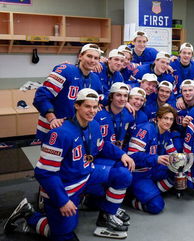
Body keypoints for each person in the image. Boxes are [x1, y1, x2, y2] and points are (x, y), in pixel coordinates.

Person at [5, 89, 135, 241]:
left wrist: (122, 154)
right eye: (87, 106)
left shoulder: (94, 126)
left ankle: (106, 217)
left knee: (123, 174)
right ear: (77, 106)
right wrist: (62, 201)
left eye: (95, 107)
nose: (92, 111)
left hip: (87, 174)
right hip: (66, 185)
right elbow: (44, 173)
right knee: (64, 234)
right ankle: (29, 215)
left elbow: (101, 145)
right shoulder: (59, 133)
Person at [34, 44, 104, 141]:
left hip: (77, 130)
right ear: (80, 56)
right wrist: (52, 118)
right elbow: (41, 96)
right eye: (89, 56)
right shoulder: (65, 70)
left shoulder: (95, 79)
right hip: (55, 126)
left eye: (96, 58)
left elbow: (100, 99)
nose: (92, 60)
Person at [127, 105, 178, 214]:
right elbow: (132, 156)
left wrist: (182, 163)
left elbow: (173, 154)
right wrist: (156, 158)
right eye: (165, 118)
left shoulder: (166, 133)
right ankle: (129, 199)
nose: (168, 122)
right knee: (156, 206)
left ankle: (151, 192)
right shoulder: (145, 130)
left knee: (177, 173)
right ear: (158, 118)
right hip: (138, 173)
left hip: (152, 170)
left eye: (171, 119)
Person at [94, 83, 134, 152]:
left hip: (120, 153)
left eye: (125, 96)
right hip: (102, 156)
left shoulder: (129, 114)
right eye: (118, 95)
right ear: (111, 97)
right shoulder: (98, 115)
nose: (122, 99)